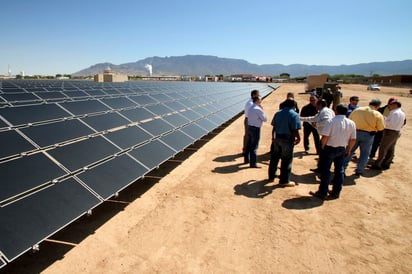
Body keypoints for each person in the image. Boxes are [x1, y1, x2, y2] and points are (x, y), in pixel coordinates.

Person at [309, 104, 356, 199]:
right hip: (342, 149)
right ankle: (336, 192)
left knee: (326, 170)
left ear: (336, 111)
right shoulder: (351, 123)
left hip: (329, 148)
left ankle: (323, 192)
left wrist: (322, 146)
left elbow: (325, 137)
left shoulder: (331, 122)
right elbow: (353, 139)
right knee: (339, 171)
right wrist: (349, 150)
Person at [343, 99, 385, 176]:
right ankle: (359, 170)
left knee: (350, 150)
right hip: (368, 135)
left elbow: (349, 120)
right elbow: (381, 128)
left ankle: (343, 168)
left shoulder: (357, 110)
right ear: (377, 106)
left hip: (354, 133)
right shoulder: (377, 114)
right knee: (365, 153)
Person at [268, 99, 301, 186]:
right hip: (287, 140)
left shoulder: (278, 113)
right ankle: (284, 180)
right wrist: (298, 138)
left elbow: (274, 128)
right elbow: (295, 129)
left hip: (277, 138)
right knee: (286, 160)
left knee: (274, 158)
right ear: (293, 106)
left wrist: (273, 138)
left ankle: (271, 176)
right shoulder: (294, 115)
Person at [300, 99, 335, 173]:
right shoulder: (324, 111)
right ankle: (321, 168)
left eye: (317, 105)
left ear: (320, 105)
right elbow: (312, 118)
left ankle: (323, 169)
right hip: (327, 135)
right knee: (323, 153)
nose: (316, 106)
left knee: (324, 153)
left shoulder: (325, 112)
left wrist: (316, 124)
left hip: (327, 136)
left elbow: (326, 121)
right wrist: (300, 118)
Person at [371, 100, 406, 170]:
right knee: (391, 148)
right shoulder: (401, 112)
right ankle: (386, 163)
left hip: (390, 132)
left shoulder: (394, 113)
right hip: (396, 131)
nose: (389, 106)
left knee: (383, 148)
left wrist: (384, 120)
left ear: (395, 105)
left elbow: (391, 124)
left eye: (390, 105)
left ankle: (378, 164)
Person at [244, 96, 267, 168]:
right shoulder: (258, 109)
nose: (261, 101)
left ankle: (246, 159)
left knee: (248, 145)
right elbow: (265, 119)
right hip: (256, 129)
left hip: (250, 127)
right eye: (260, 100)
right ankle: (253, 163)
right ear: (257, 101)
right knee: (254, 146)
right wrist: (262, 109)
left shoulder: (251, 108)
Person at [243, 89, 260, 155]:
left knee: (248, 135)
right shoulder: (250, 103)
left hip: (249, 120)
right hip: (249, 120)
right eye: (258, 95)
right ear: (254, 95)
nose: (259, 97)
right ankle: (245, 151)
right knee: (248, 136)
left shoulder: (251, 102)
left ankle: (246, 150)